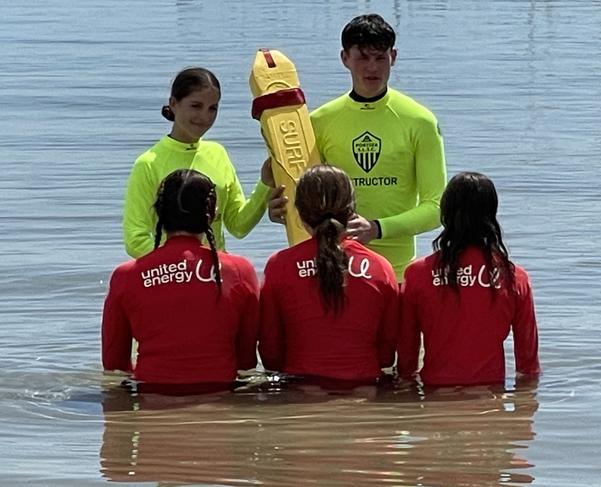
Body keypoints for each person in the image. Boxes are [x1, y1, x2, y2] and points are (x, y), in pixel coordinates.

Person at [268, 14, 447, 280]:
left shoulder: (419, 121)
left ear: (393, 57)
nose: (372, 68)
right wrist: (279, 207)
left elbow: (437, 208)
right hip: (333, 270)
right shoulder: (318, 122)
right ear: (345, 58)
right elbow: (300, 195)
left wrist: (377, 228)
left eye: (380, 58)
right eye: (363, 57)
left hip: (396, 273)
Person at [103, 169, 259, 387]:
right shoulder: (240, 271)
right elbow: (246, 360)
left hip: (152, 399)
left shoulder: (126, 276)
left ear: (158, 213)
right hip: (222, 402)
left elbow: (114, 363)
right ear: (212, 213)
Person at [398, 172, 541, 386]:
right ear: (491, 214)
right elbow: (528, 364)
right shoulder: (514, 278)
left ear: (446, 213)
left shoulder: (418, 274)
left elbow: (407, 357)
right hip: (490, 396)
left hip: (435, 396)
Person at [258, 165, 400, 382]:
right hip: (366, 388)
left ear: (300, 212)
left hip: (301, 389)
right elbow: (387, 354)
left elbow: (270, 352)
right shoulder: (380, 267)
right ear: (351, 211)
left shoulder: (280, 265)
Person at [124, 66, 280, 258]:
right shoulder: (148, 164)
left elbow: (238, 225)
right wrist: (186, 265)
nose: (205, 117)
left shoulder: (217, 153)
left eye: (212, 108)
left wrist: (265, 184)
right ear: (173, 104)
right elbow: (135, 239)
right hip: (173, 279)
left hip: (217, 276)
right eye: (196, 106)